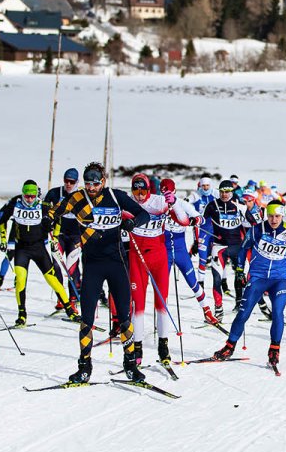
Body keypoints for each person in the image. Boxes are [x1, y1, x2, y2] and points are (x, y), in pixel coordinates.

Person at [55, 162, 154, 384]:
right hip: (92, 265)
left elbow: (143, 214)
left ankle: (130, 365)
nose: (91, 188)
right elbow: (53, 212)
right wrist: (48, 224)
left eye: (95, 183)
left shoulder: (115, 196)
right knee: (87, 319)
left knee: (125, 317)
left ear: (103, 181)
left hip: (117, 263)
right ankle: (84, 367)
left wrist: (133, 223)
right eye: (88, 183)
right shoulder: (77, 198)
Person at [210, 200, 286, 371]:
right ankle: (229, 346)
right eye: (270, 216)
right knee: (243, 312)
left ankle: (274, 349)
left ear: (282, 215)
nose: (273, 219)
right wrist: (240, 270)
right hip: (258, 278)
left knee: (278, 312)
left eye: (277, 216)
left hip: (279, 280)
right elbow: (243, 249)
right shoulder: (257, 230)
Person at [0, 179, 74, 326]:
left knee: (52, 280)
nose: (30, 200)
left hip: (39, 249)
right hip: (22, 249)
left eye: (32, 196)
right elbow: (3, 218)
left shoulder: (43, 206)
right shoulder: (15, 204)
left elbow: (57, 219)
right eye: (27, 196)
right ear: (23, 194)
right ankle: (22, 314)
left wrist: (55, 238)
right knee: (20, 280)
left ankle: (70, 310)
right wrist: (3, 239)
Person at [126, 174, 176, 367]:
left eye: (143, 191)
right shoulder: (127, 204)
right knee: (137, 304)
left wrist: (174, 201)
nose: (139, 196)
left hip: (159, 258)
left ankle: (163, 346)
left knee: (161, 302)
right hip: (137, 258)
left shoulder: (159, 202)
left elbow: (183, 219)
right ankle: (136, 347)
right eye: (135, 191)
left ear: (149, 189)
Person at [162, 179, 220, 326]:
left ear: (174, 191)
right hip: (164, 251)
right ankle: (161, 317)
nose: (167, 195)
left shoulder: (181, 203)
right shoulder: (158, 203)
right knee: (162, 285)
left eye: (169, 192)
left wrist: (195, 220)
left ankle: (207, 311)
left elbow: (199, 216)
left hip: (181, 250)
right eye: (164, 192)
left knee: (193, 282)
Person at [202, 179, 252, 321]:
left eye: (227, 192)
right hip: (219, 247)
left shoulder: (240, 206)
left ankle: (239, 302)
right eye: (222, 191)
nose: (224, 194)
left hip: (238, 247)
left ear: (232, 192)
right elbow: (200, 220)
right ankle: (218, 309)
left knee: (240, 276)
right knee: (216, 279)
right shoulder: (212, 205)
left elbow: (254, 223)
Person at [44, 167, 82, 307]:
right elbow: (44, 210)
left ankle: (72, 299)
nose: (68, 184)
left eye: (72, 182)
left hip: (76, 237)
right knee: (56, 265)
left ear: (77, 182)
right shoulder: (55, 193)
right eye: (66, 181)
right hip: (58, 235)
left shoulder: (82, 195)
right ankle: (61, 298)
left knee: (72, 267)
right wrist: (46, 219)